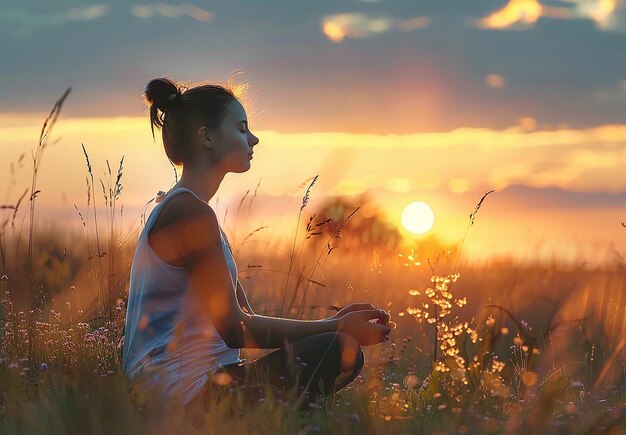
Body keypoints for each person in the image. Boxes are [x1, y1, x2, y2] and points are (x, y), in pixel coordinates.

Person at [122, 77, 392, 415]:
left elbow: (245, 320)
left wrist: (333, 320)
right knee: (337, 348)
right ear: (207, 137)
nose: (254, 138)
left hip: (197, 387)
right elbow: (236, 330)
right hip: (183, 399)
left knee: (334, 345)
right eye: (241, 128)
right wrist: (335, 328)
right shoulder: (188, 212)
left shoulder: (192, 211)